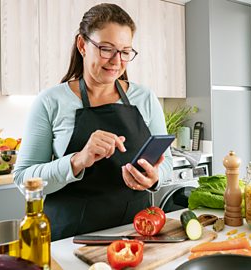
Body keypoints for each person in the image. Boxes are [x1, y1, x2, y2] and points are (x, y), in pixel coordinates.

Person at [13, 3, 173, 241]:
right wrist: (77, 160)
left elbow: (167, 163)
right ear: (82, 45)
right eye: (106, 49)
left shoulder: (145, 98)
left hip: (135, 236)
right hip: (71, 239)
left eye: (126, 52)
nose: (117, 61)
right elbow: (23, 179)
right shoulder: (50, 101)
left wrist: (155, 177)